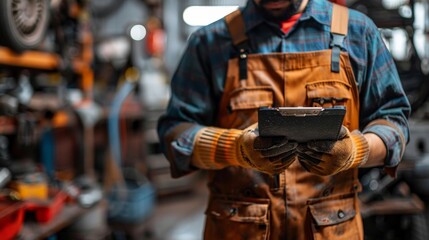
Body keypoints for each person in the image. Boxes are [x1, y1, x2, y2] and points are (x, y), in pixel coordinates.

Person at [157, 0, 410, 239]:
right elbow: (175, 134)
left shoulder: (359, 33)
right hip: (239, 229)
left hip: (331, 228)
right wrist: (235, 148)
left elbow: (393, 122)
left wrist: (356, 150)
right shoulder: (210, 42)